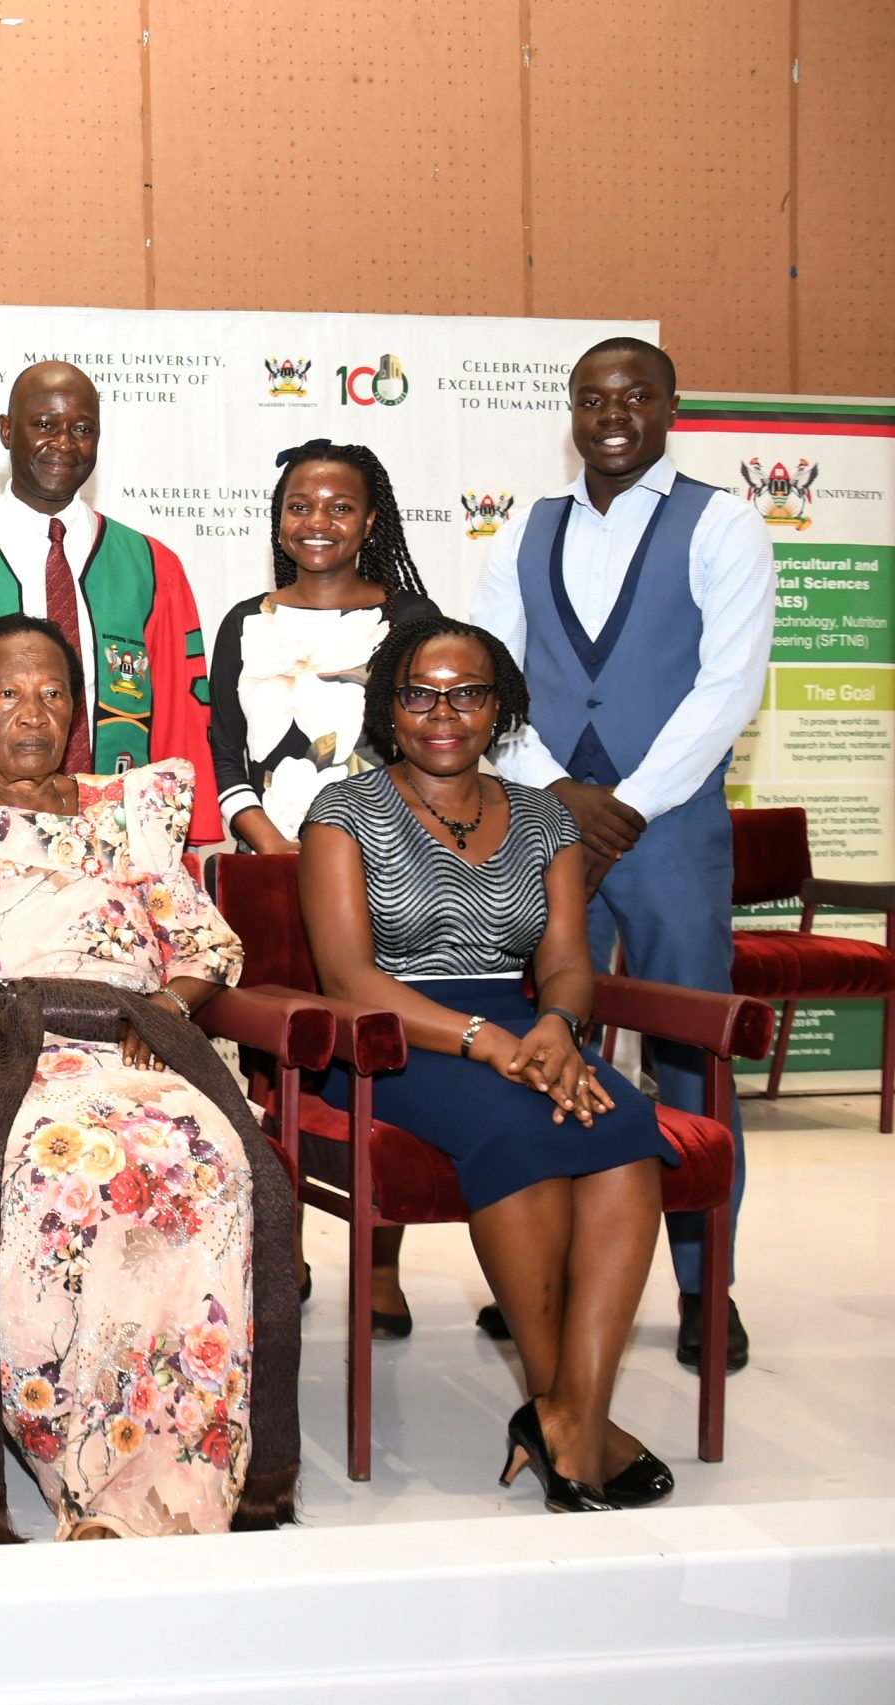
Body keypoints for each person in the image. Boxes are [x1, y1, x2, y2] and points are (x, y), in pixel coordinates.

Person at [0, 612, 298, 1543]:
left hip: (135, 1048)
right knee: (67, 1164)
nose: (32, 713)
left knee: (201, 1160)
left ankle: (162, 1495)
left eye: (53, 694)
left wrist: (167, 1007)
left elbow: (203, 944)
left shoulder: (128, 813)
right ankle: (79, 1460)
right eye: (7, 693)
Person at [301, 616, 678, 1511]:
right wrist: (487, 1042)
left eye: (467, 692)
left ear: (498, 707)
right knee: (524, 1130)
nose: (444, 712)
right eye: (419, 692)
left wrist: (555, 1024)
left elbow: (565, 959)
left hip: (522, 1023)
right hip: (393, 1038)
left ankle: (567, 1414)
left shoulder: (545, 812)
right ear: (388, 707)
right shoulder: (341, 812)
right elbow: (350, 976)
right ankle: (571, 1416)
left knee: (626, 1128)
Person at [469, 337, 774, 1372]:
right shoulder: (524, 525)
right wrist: (557, 791)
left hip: (671, 830)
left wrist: (624, 808)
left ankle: (705, 1285)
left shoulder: (723, 523)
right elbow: (489, 675)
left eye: (633, 395)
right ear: (570, 410)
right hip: (541, 824)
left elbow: (727, 688)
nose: (611, 413)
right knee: (548, 1048)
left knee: (692, 1055)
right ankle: (542, 1278)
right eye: (592, 398)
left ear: (669, 407)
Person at [207, 438, 438, 1336]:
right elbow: (227, 752)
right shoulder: (244, 622)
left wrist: (346, 855)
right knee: (273, 1065)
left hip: (379, 871)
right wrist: (274, 847)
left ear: (369, 520)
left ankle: (379, 1267)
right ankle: (287, 1250)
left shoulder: (409, 620)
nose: (318, 523)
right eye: (300, 505)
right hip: (266, 876)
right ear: (279, 518)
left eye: (339, 507)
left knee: (376, 1058)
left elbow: (427, 745)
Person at [0, 361, 221, 843]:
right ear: (6, 431)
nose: (63, 443)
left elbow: (180, 716)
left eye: (82, 429)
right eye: (44, 425)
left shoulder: (152, 567)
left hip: (121, 839)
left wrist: (184, 835)